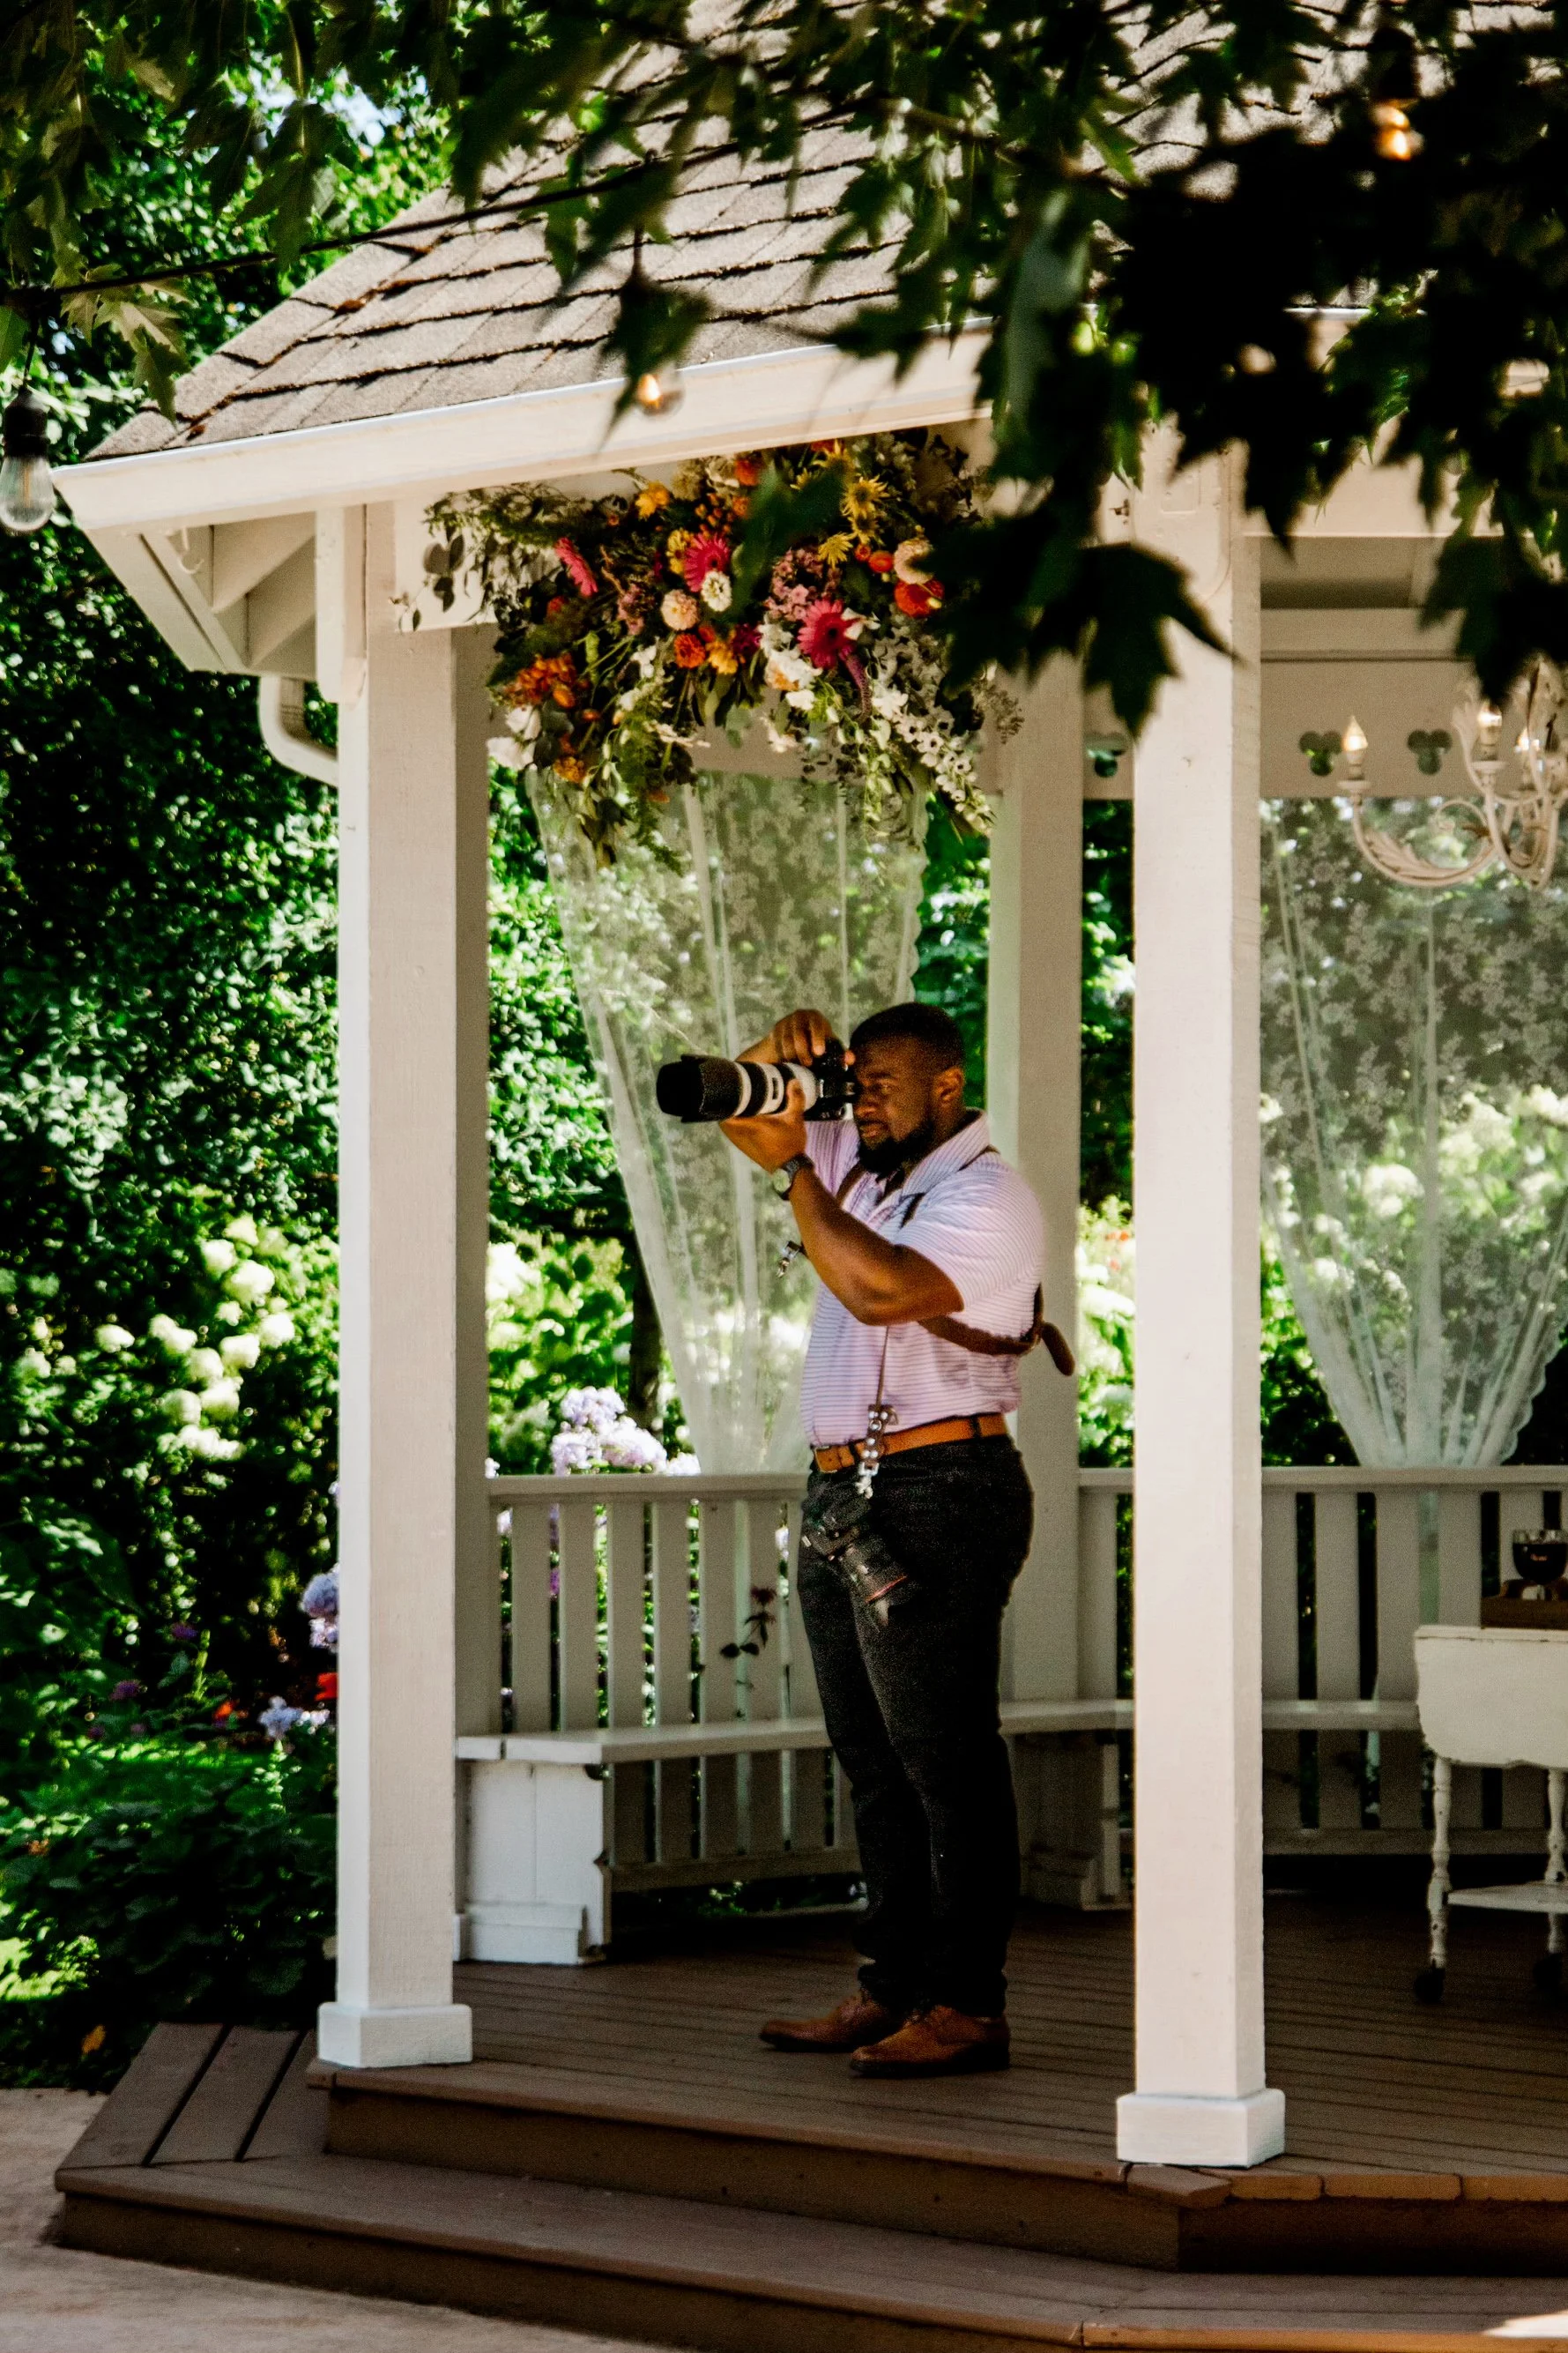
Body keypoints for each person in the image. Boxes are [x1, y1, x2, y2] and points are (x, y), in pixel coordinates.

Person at [718, 1000, 1044, 2080]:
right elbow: (734, 1099)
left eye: (881, 1085)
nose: (860, 1103)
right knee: (874, 1762)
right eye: (853, 1086)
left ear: (946, 1084)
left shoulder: (987, 1194)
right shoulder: (862, 1161)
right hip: (845, 1493)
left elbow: (878, 1287)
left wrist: (798, 1179)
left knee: (942, 1758)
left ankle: (968, 2005)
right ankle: (893, 1985)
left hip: (941, 1484)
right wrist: (783, 1043)